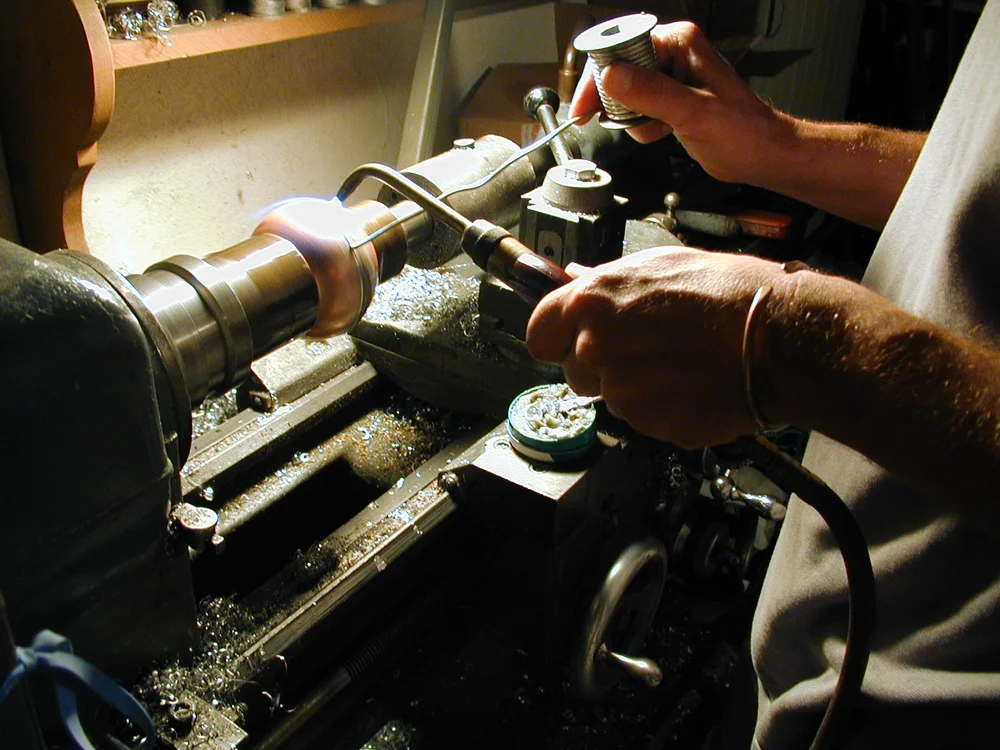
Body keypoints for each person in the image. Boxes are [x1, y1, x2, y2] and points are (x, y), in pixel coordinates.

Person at [525, 4, 1000, 748]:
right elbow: (980, 188)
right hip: (828, 652)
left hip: (941, 708)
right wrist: (775, 145)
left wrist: (795, 344)